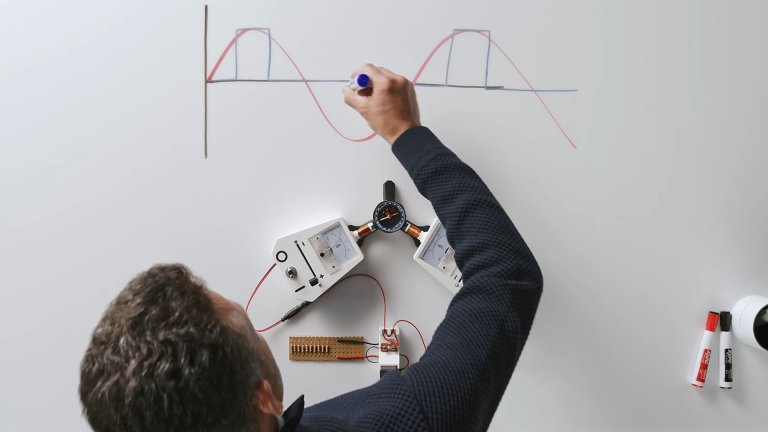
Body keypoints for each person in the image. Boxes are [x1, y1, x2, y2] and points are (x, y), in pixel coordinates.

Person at [79, 64, 543, 432]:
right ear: (263, 399)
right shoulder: (400, 420)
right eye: (245, 323)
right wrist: (407, 133)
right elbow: (506, 276)